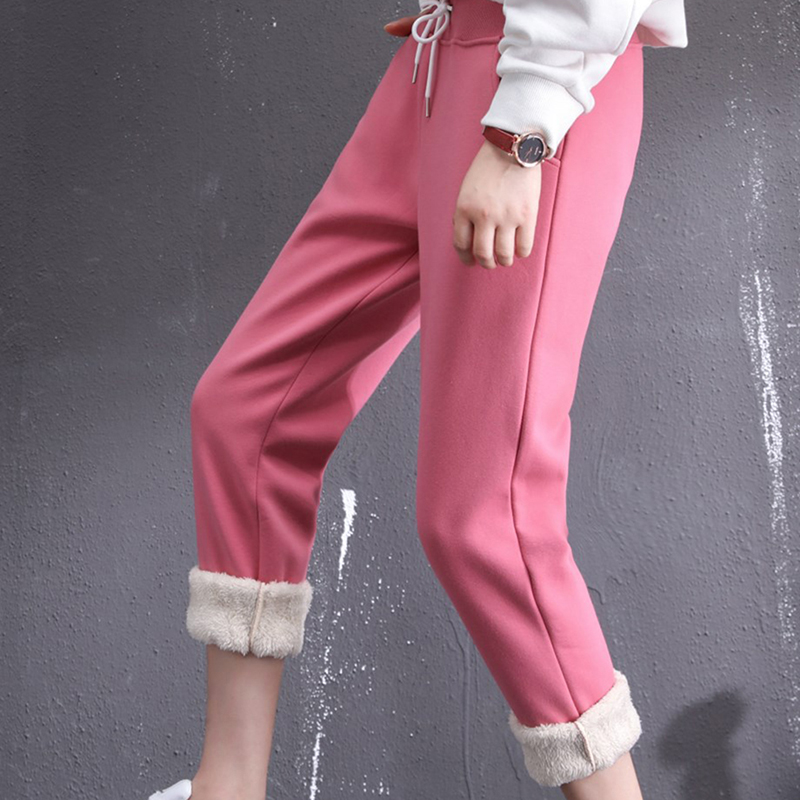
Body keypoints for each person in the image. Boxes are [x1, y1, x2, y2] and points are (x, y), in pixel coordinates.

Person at [147, 0, 688, 798]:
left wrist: (523, 132)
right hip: (436, 64)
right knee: (246, 414)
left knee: (483, 518)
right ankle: (224, 790)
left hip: (534, 91)